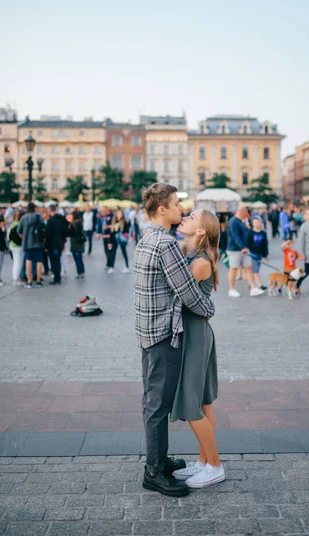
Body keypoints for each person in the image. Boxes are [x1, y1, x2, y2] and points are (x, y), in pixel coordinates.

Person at [133, 183, 215, 498]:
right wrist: (209, 309)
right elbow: (189, 293)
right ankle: (154, 473)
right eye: (177, 204)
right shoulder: (166, 244)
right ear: (163, 209)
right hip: (164, 335)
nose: (181, 209)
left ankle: (159, 460)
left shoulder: (147, 237)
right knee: (157, 405)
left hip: (147, 331)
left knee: (154, 401)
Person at [170, 209, 225, 488]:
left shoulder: (200, 262)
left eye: (191, 218)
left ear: (201, 231)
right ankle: (204, 460)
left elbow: (176, 292)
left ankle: (214, 465)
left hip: (195, 335)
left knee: (191, 404)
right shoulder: (191, 253)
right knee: (204, 401)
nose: (184, 218)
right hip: (196, 332)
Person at [226, 204, 264, 298]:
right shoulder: (233, 222)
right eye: (246, 212)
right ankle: (231, 289)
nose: (247, 214)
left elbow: (244, 235)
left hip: (244, 249)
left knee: (248, 268)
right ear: (242, 211)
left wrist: (247, 228)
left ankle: (253, 288)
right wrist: (242, 247)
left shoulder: (241, 221)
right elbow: (235, 236)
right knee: (233, 269)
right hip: (235, 249)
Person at [17, 203, 46, 288]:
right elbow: (43, 229)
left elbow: (19, 231)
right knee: (39, 261)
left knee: (28, 261)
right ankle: (38, 281)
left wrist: (24, 237)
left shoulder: (23, 218)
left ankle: (29, 282)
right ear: (34, 209)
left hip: (27, 243)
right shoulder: (39, 217)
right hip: (38, 243)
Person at [45, 204, 69, 285]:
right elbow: (66, 230)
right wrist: (64, 241)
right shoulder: (62, 218)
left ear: (50, 210)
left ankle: (56, 278)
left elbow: (48, 235)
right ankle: (58, 278)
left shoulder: (50, 221)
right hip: (60, 243)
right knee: (58, 260)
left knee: (54, 261)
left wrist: (46, 246)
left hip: (53, 244)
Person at [247, 217, 269, 291]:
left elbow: (265, 245)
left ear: (261, 223)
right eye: (255, 222)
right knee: (255, 270)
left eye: (258, 222)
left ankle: (251, 283)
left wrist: (266, 254)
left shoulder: (263, 233)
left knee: (255, 270)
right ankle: (260, 285)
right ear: (253, 224)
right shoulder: (250, 232)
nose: (256, 224)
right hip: (252, 254)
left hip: (260, 254)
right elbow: (248, 243)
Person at [112, 209, 130, 273]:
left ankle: (127, 267)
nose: (119, 215)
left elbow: (126, 232)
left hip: (122, 240)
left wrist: (119, 230)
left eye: (121, 214)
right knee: (113, 253)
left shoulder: (124, 222)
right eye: (118, 214)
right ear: (116, 214)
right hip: (115, 239)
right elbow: (112, 232)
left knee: (124, 253)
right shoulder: (114, 221)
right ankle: (112, 267)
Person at [9, 211, 24, 286]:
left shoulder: (13, 224)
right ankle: (16, 279)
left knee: (15, 262)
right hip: (18, 246)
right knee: (18, 263)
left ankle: (15, 278)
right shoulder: (19, 225)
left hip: (12, 244)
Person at [97, 207, 115, 272]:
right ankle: (108, 263)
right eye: (102, 211)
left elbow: (114, 225)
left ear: (107, 210)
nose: (102, 212)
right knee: (106, 250)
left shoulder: (111, 216)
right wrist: (98, 233)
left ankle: (110, 264)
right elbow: (99, 225)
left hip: (109, 236)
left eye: (104, 211)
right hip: (104, 236)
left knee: (110, 251)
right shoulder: (102, 217)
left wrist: (108, 226)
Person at [70, 211, 86, 279]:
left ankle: (79, 273)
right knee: (80, 259)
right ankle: (82, 273)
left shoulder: (74, 224)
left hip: (75, 244)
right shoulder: (80, 222)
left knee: (77, 260)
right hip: (80, 244)